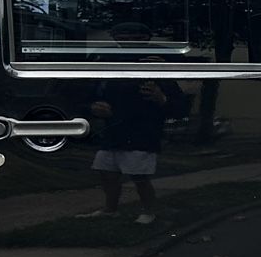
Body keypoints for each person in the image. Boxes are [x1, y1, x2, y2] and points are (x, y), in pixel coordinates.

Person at [78, 21, 183, 224]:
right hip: (113, 128)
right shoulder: (106, 60)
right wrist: (94, 107)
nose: (129, 42)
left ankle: (149, 211)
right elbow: (87, 93)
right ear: (115, 38)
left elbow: (177, 104)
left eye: (137, 38)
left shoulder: (156, 62)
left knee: (139, 175)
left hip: (143, 129)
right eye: (124, 37)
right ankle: (111, 209)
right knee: (106, 171)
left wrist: (161, 97)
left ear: (148, 39)